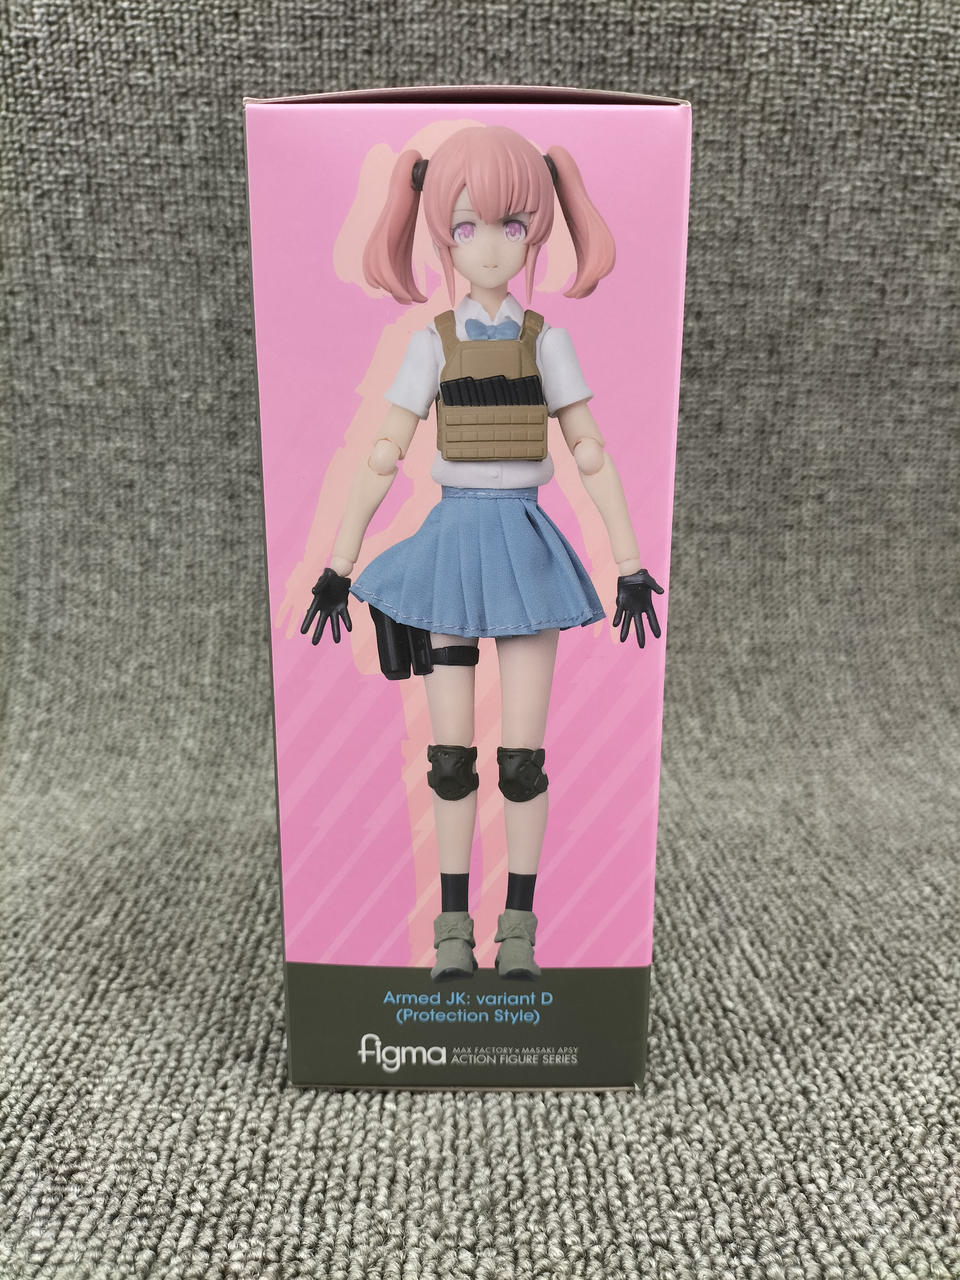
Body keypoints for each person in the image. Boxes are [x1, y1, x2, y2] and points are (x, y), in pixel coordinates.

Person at [301, 124, 662, 982]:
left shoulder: (546, 340)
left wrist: (628, 561)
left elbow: (590, 451)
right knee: (451, 759)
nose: (491, 246)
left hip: (526, 548)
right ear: (441, 234)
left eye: (511, 225)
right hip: (449, 555)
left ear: (536, 230)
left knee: (523, 763)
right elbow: (383, 453)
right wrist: (340, 564)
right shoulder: (432, 342)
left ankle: (521, 931)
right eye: (466, 227)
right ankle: (453, 931)